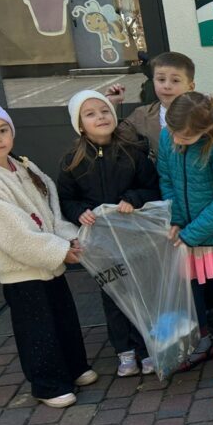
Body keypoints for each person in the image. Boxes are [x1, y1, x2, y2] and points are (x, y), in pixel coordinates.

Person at [0, 98, 96, 408]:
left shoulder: (24, 166)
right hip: (21, 270)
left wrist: (69, 239)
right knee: (37, 328)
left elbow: (51, 209)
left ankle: (73, 367)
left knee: (63, 317)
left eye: (2, 130)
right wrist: (58, 250)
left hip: (49, 262)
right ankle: (48, 384)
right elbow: (12, 232)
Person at [57, 90, 160, 377]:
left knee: (140, 292)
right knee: (113, 295)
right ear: (80, 125)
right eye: (90, 114)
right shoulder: (72, 161)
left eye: (104, 111)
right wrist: (79, 211)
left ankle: (145, 348)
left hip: (135, 238)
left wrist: (133, 198)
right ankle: (124, 351)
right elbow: (66, 199)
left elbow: (152, 188)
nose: (100, 117)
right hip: (101, 244)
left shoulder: (132, 153)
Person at [158, 91, 213, 365]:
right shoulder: (168, 136)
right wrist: (176, 220)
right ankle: (204, 340)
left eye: (185, 138)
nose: (176, 141)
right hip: (186, 230)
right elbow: (166, 179)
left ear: (205, 129)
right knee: (192, 288)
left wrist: (190, 234)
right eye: (173, 133)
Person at [106, 51, 196, 161]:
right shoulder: (141, 115)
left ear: (190, 87)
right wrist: (111, 104)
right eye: (161, 80)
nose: (167, 86)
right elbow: (113, 141)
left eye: (175, 80)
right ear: (153, 81)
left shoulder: (202, 114)